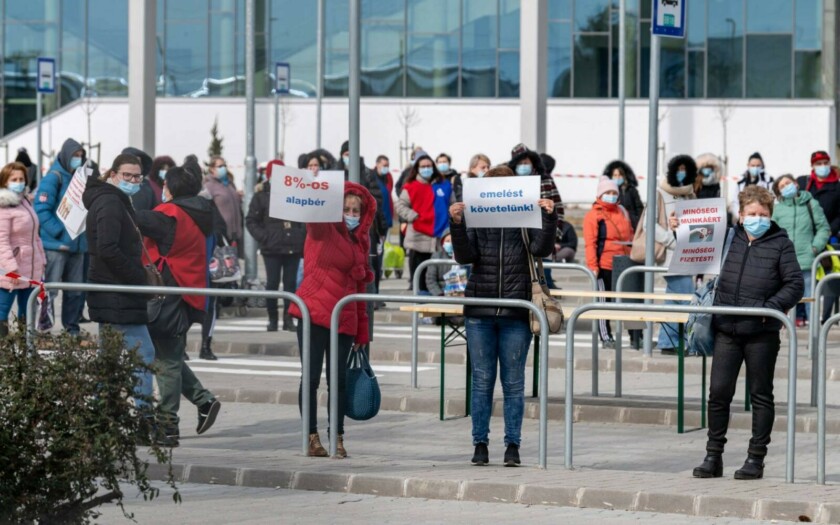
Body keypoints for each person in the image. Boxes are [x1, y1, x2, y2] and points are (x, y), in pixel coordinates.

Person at [692, 186, 803, 480]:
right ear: (741, 215)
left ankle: (756, 459)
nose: (758, 219)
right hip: (726, 329)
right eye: (752, 213)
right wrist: (679, 229)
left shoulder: (781, 244)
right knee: (718, 393)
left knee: (761, 395)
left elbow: (795, 284)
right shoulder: (729, 238)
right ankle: (713, 456)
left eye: (763, 214)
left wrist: (770, 308)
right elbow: (692, 248)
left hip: (760, 332)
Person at [448, 165, 557, 467]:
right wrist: (457, 224)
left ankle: (512, 445)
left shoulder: (524, 216)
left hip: (516, 310)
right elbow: (465, 256)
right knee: (482, 381)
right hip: (480, 310)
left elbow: (541, 249)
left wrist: (549, 217)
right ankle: (480, 443)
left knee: (513, 383)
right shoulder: (476, 217)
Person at [287, 181, 375, 459]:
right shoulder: (324, 228)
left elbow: (360, 289)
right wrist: (317, 186)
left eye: (356, 211)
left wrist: (363, 331)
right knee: (311, 378)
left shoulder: (361, 241)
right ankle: (311, 436)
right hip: (314, 312)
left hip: (344, 317)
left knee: (338, 381)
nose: (351, 214)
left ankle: (337, 436)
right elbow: (314, 219)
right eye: (346, 209)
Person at [136, 166, 222, 447]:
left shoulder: (171, 213)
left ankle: (168, 425)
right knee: (168, 355)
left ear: (170, 189)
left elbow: (135, 219)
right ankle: (204, 401)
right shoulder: (202, 211)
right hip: (188, 291)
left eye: (165, 185)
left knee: (168, 361)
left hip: (168, 293)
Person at [82, 153, 155, 413]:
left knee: (109, 358)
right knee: (144, 354)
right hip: (117, 290)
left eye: (137, 177)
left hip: (112, 289)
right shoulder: (110, 202)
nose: (133, 181)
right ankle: (145, 419)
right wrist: (137, 278)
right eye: (127, 175)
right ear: (113, 174)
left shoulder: (114, 199)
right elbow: (108, 248)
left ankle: (100, 414)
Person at [34, 138, 88, 335]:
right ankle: (43, 330)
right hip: (56, 246)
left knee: (75, 291)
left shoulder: (81, 179)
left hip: (78, 246)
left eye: (81, 156)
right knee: (50, 291)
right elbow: (41, 209)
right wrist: (59, 232)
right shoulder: (54, 178)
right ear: (66, 156)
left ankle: (71, 328)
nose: (78, 159)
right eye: (75, 155)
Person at [245, 162, 305, 332]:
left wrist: (300, 236)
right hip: (272, 248)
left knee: (290, 284)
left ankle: (288, 318)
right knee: (272, 283)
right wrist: (265, 237)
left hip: (292, 246)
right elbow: (251, 221)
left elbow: (302, 217)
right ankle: (272, 319)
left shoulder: (293, 193)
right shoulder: (261, 196)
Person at [199, 155, 242, 360]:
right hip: (205, 252)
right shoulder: (208, 189)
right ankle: (183, 346)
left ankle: (205, 345)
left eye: (224, 165)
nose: (223, 168)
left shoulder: (228, 184)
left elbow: (224, 220)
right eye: (219, 166)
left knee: (213, 301)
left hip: (222, 244)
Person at [772, 174, 830, 327]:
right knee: (784, 297)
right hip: (785, 261)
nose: (786, 187)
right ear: (779, 192)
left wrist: (815, 247)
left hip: (807, 259)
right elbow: (773, 232)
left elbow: (823, 228)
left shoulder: (811, 203)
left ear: (796, 184)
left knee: (810, 297)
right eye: (782, 186)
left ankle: (814, 333)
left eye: (788, 183)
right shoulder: (777, 209)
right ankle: (784, 331)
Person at [584, 178, 633, 349]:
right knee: (604, 303)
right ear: (600, 194)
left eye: (614, 193)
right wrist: (593, 266)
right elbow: (590, 243)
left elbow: (630, 235)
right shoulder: (594, 215)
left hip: (625, 264)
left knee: (631, 302)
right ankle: (606, 337)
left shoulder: (622, 211)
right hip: (604, 266)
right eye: (608, 193)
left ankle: (636, 336)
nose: (612, 195)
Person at [656, 154, 698, 355]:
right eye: (679, 169)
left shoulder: (690, 195)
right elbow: (649, 225)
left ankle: (667, 342)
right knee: (687, 297)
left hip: (688, 255)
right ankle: (687, 342)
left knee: (673, 299)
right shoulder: (660, 193)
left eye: (685, 169)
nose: (682, 173)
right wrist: (672, 240)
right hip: (671, 255)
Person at [395, 153, 453, 294]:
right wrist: (413, 216)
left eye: (429, 166)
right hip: (418, 239)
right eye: (423, 166)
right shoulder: (410, 186)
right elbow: (400, 206)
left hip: (440, 238)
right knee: (420, 279)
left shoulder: (445, 185)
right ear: (417, 168)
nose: (426, 168)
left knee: (438, 277)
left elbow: (453, 204)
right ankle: (421, 305)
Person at [0, 162, 45, 334]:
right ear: (5, 181)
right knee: (2, 310)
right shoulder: (3, 205)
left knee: (27, 311)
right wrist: (11, 268)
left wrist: (42, 259)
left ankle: (25, 346)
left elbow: (35, 236)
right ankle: (3, 347)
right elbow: (1, 241)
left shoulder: (24, 201)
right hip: (11, 270)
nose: (19, 182)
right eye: (14, 179)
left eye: (21, 179)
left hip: (31, 267)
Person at [797, 151, 840, 322]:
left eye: (825, 163)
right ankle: (801, 314)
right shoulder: (805, 184)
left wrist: (829, 231)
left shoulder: (837, 186)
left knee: (830, 277)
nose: (822, 166)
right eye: (818, 163)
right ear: (812, 166)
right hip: (805, 237)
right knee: (803, 277)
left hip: (829, 237)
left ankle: (824, 317)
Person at [373, 154, 395, 301]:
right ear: (377, 164)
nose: (386, 167)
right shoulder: (372, 178)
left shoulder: (388, 178)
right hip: (375, 224)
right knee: (374, 258)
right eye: (383, 165)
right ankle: (373, 294)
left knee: (379, 257)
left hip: (385, 223)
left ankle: (376, 293)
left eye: (387, 165)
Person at [731, 152, 773, 220]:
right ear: (748, 165)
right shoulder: (741, 181)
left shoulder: (768, 181)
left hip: (762, 217)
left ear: (762, 166)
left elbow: (772, 200)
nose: (755, 168)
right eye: (753, 165)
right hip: (745, 217)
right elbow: (735, 202)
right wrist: (740, 216)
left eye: (758, 165)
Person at [602, 160, 643, 230]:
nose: (617, 177)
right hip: (616, 224)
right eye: (615, 175)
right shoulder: (609, 191)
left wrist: (637, 221)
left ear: (623, 176)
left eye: (619, 175)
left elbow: (639, 207)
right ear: (612, 177)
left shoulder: (631, 190)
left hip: (632, 224)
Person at [122, 147, 158, 212]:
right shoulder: (113, 184)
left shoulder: (147, 187)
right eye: (132, 162)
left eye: (138, 163)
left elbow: (154, 212)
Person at [425, 230, 454, 296]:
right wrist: (439, 294)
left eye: (453, 240)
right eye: (447, 241)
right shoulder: (437, 256)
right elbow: (430, 280)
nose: (451, 243)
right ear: (443, 244)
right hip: (441, 293)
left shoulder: (466, 257)